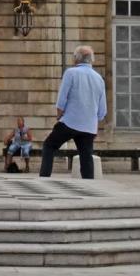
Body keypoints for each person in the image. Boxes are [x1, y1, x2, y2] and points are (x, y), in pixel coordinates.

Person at [39, 45, 106, 179]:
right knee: (86, 157)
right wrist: (94, 123)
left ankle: (44, 178)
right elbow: (102, 110)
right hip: (88, 126)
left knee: (49, 146)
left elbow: (62, 98)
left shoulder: (71, 73)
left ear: (76, 59)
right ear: (91, 60)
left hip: (70, 121)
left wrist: (59, 115)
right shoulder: (99, 78)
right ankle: (89, 185)